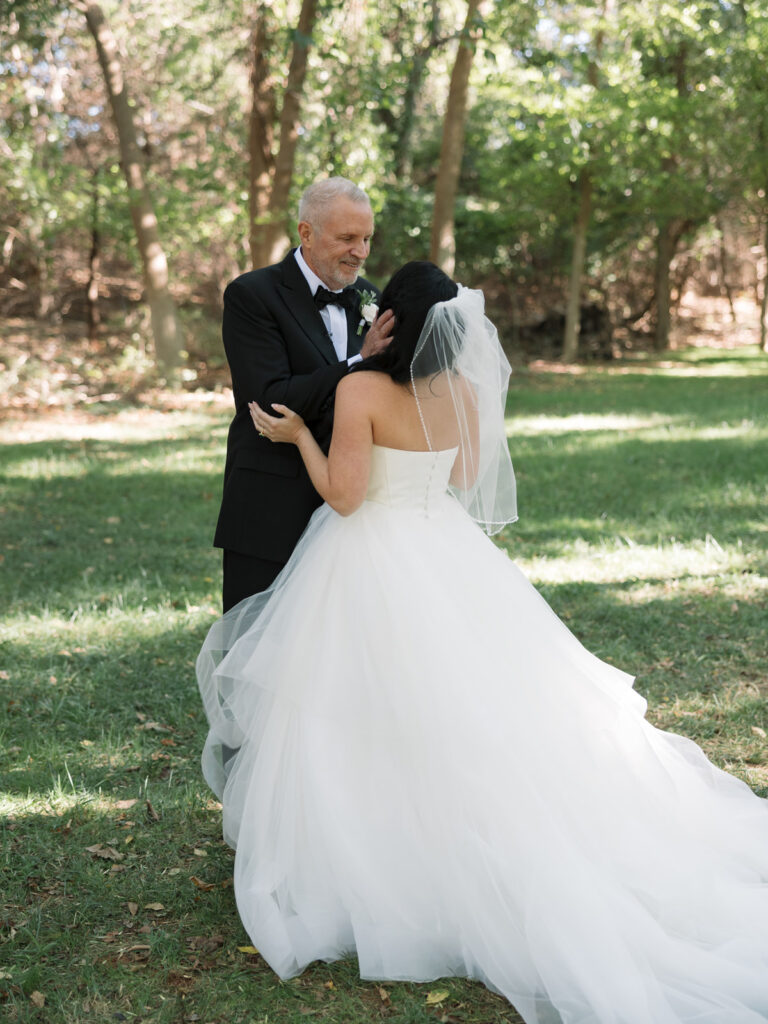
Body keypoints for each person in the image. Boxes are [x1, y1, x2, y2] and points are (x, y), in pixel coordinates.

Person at [198, 261, 768, 1024]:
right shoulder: (463, 393)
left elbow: (344, 496)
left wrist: (302, 434)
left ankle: (370, 852)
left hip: (367, 554)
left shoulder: (360, 390)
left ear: (391, 321)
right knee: (467, 704)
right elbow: (465, 475)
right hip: (443, 547)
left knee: (354, 704)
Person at [213, 176, 394, 612]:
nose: (361, 252)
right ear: (306, 233)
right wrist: (359, 361)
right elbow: (269, 400)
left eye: (367, 238)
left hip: (351, 509)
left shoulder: (371, 298)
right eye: (347, 238)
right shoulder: (252, 295)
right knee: (256, 638)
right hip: (272, 507)